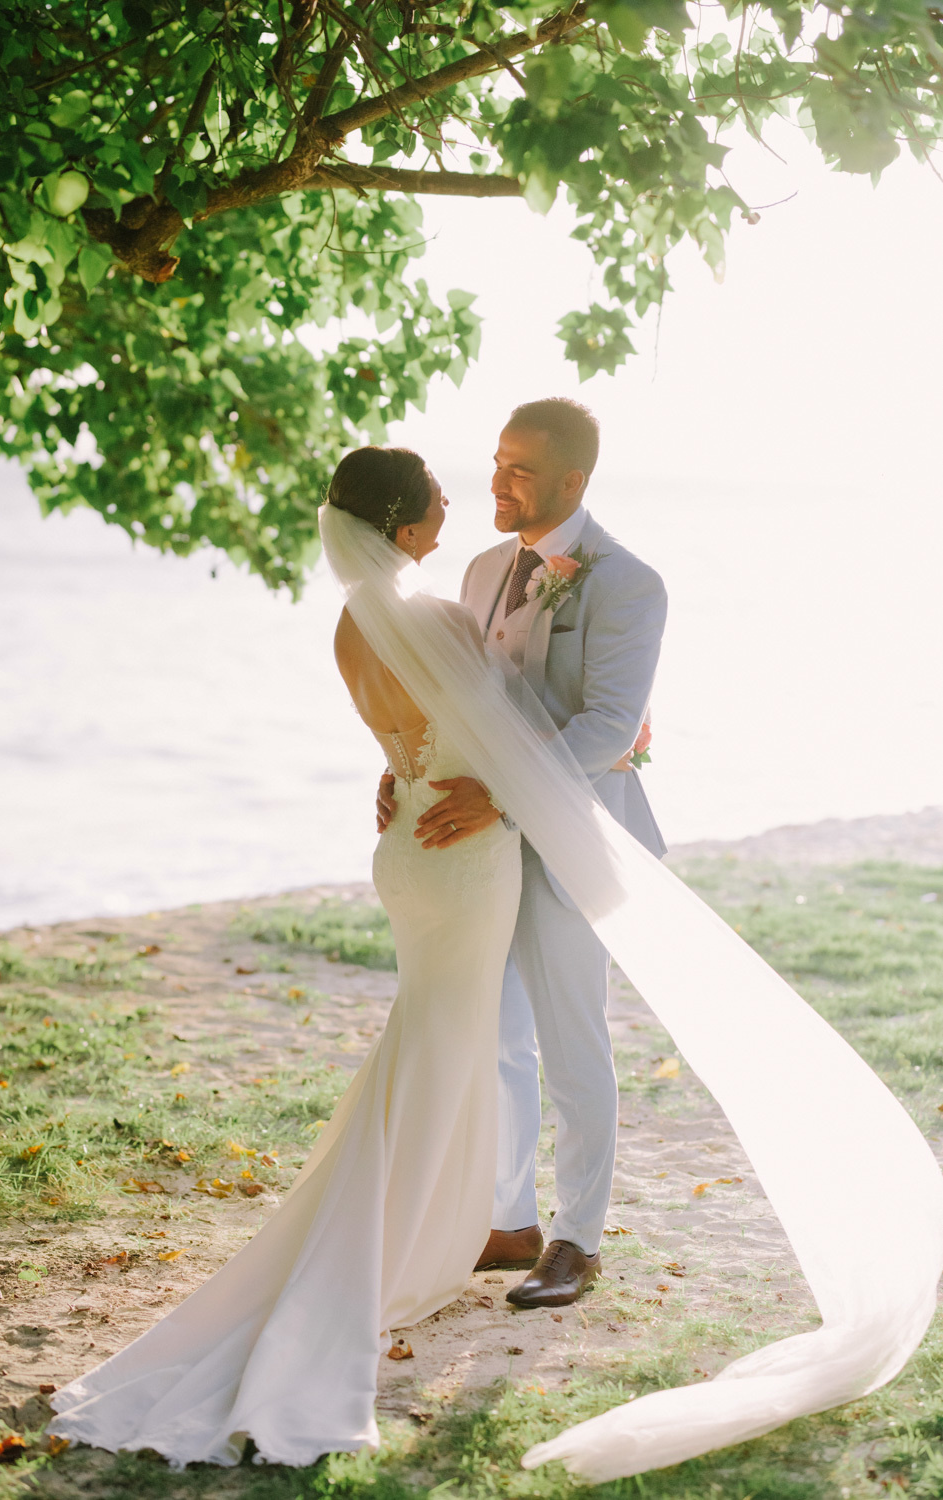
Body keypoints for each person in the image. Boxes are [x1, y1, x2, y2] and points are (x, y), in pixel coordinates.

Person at [48, 442, 942, 1481]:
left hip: (407, 846)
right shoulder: (430, 613)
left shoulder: (356, 619)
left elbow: (410, 744)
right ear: (402, 517)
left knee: (436, 1041)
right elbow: (505, 740)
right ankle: (393, 1244)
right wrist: (604, 744)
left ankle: (435, 1228)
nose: (455, 501)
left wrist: (423, 774)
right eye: (437, 492)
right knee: (447, 1045)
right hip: (467, 857)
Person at [377, 398, 667, 1307]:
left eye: (520, 470)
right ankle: (507, 1222)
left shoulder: (627, 583)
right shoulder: (476, 568)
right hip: (480, 846)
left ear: (572, 481)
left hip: (574, 841)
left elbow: (610, 728)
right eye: (496, 463)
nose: (497, 483)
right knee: (494, 1035)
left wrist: (499, 795)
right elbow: (453, 697)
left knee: (570, 1039)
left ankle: (576, 1240)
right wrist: (405, 766)